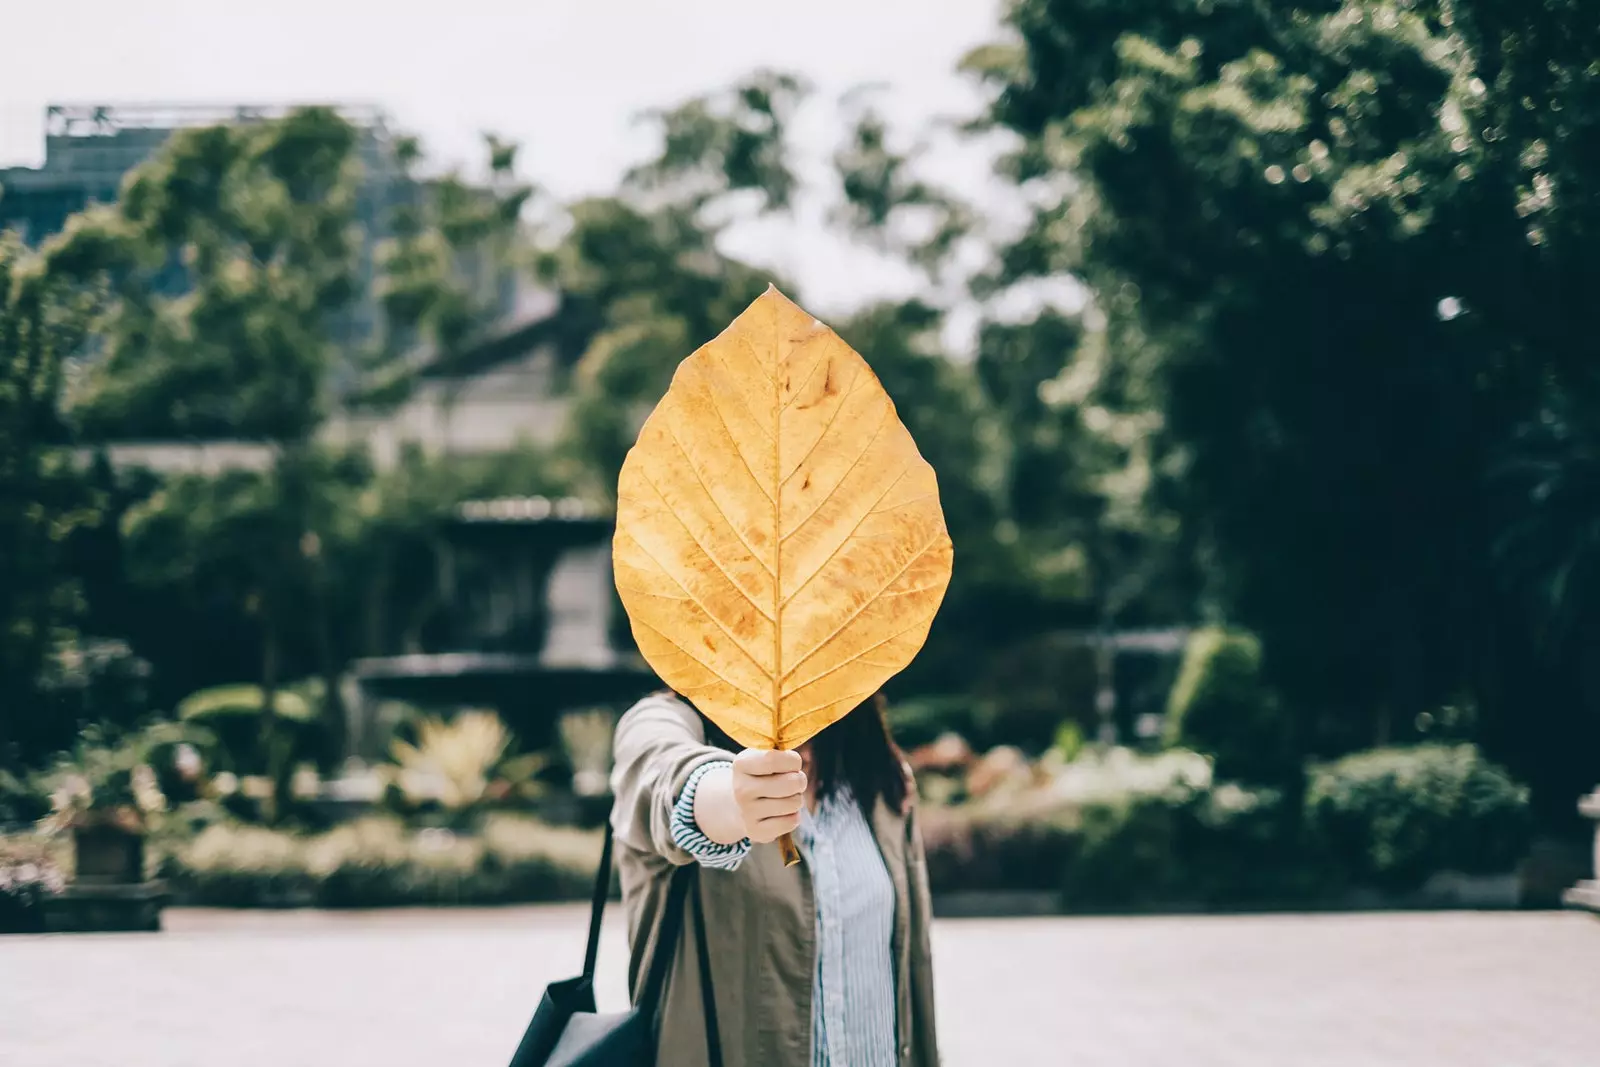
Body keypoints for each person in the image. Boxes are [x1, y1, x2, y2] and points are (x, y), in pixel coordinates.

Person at [608, 689, 940, 1067]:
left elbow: (914, 982)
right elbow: (665, 778)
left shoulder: (876, 776)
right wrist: (734, 801)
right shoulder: (667, 722)